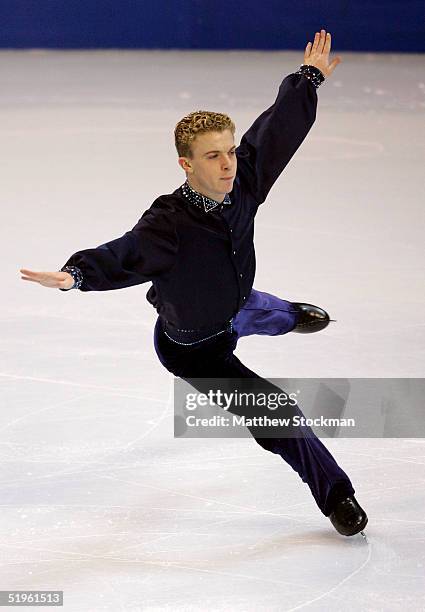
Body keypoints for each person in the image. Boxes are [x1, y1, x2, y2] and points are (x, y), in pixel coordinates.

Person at [19, 29, 367, 536]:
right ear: (186, 164)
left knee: (264, 311)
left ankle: (290, 316)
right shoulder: (169, 224)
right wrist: (75, 275)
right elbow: (125, 254)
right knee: (277, 413)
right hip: (194, 345)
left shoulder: (243, 179)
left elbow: (275, 132)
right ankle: (337, 494)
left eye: (229, 151)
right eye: (212, 156)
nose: (227, 163)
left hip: (237, 303)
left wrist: (307, 79)